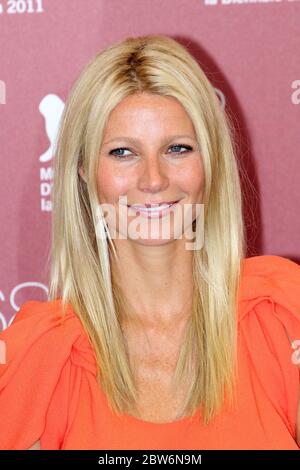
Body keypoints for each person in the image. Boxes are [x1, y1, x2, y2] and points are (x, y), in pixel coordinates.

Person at [0, 34, 300, 450]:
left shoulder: (282, 317)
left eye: (177, 148)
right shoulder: (41, 356)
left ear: (209, 162)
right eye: (123, 152)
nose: (154, 179)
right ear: (84, 169)